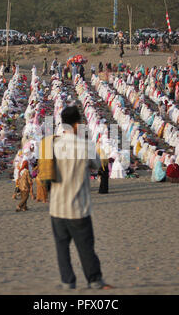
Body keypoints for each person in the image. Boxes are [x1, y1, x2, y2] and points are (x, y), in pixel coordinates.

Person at [47, 106, 112, 290]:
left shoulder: (54, 145)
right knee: (85, 245)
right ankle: (94, 279)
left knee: (62, 247)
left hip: (57, 206)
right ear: (77, 124)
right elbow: (98, 164)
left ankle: (67, 281)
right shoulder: (85, 145)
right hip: (78, 206)